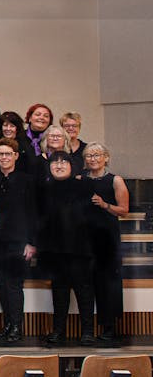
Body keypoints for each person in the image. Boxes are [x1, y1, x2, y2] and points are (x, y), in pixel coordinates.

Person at [39, 151, 96, 345]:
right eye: (55, 162)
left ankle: (88, 331)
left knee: (84, 290)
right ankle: (58, 330)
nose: (59, 165)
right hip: (54, 249)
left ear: (72, 166)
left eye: (64, 162)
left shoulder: (85, 185)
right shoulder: (44, 188)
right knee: (59, 292)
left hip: (81, 247)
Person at [0, 138, 36, 344]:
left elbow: (34, 213)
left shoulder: (27, 180)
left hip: (19, 241)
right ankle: (8, 324)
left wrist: (31, 242)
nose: (4, 158)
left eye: (8, 154)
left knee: (14, 285)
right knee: (0, 283)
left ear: (16, 156)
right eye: (0, 154)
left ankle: (17, 326)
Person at [83, 142, 128, 346]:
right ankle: (88, 330)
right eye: (89, 155)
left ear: (106, 158)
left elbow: (123, 210)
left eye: (97, 155)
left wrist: (104, 204)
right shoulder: (80, 180)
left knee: (107, 284)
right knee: (86, 284)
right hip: (84, 239)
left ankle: (108, 328)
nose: (93, 158)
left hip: (107, 238)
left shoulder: (115, 181)